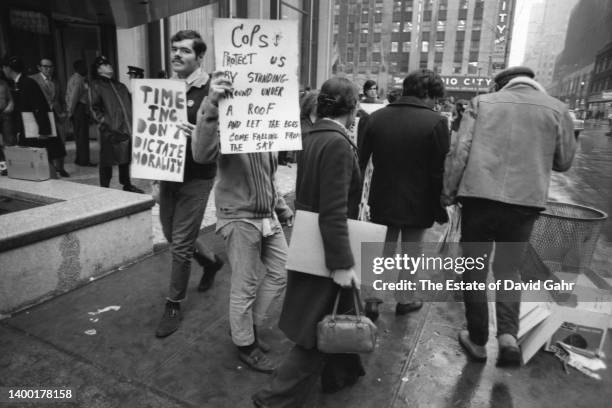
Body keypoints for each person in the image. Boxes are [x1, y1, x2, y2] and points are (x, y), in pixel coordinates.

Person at [442, 66, 576, 366]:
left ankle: (477, 340)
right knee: (508, 270)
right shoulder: (557, 109)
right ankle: (507, 337)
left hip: (478, 199)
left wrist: (448, 193)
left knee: (474, 270)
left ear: (500, 85)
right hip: (524, 204)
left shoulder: (483, 104)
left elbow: (460, 151)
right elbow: (564, 161)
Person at [253, 77, 365, 408]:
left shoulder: (314, 136)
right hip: (326, 246)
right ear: (353, 108)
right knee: (317, 331)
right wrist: (342, 264)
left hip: (311, 237)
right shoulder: (338, 144)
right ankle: (273, 398)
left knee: (339, 315)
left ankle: (340, 373)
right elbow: (333, 211)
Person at [192, 73, 293, 373]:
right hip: (238, 217)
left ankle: (249, 328)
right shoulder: (225, 120)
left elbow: (268, 176)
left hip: (266, 216)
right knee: (245, 286)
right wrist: (212, 103)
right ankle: (245, 345)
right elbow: (201, 154)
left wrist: (281, 207)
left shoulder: (263, 122)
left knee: (281, 271)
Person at [360, 69, 449, 315]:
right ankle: (404, 299)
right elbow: (438, 170)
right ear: (429, 94)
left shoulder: (376, 118)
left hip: (382, 196)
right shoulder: (437, 122)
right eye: (436, 97)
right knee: (412, 252)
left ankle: (372, 299)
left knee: (383, 249)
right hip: (419, 201)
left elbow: (361, 161)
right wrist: (440, 206)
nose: (436, 103)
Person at [154, 30, 224, 338]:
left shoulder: (213, 89)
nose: (176, 54)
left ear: (199, 56)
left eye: (184, 50)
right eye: (174, 49)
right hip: (167, 173)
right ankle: (211, 262)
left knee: (180, 244)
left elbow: (221, 139)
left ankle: (173, 303)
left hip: (197, 176)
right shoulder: (164, 88)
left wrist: (196, 132)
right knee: (173, 236)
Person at [1, 55, 64, 177]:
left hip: (36, 130)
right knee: (35, 160)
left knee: (44, 158)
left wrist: (44, 130)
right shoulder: (17, 83)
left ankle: (52, 183)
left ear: (8, 68)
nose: (3, 71)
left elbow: (40, 107)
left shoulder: (27, 83)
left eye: (3, 68)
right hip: (28, 129)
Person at [89, 55, 143, 193]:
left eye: (109, 64)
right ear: (98, 69)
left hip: (125, 128)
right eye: (105, 65)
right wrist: (105, 124)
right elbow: (94, 108)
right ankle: (104, 187)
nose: (110, 66)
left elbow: (131, 103)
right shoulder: (96, 85)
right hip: (109, 130)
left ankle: (126, 183)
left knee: (124, 157)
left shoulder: (120, 85)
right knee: (106, 159)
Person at [31, 57, 69, 177]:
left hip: (57, 115)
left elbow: (62, 99)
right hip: (42, 116)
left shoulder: (56, 82)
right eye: (45, 67)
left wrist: (64, 112)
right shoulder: (33, 80)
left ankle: (61, 168)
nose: (48, 69)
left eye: (50, 67)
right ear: (39, 67)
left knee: (61, 142)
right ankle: (50, 169)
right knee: (46, 143)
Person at [66, 60, 95, 167]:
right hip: (79, 108)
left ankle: (79, 159)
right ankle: (84, 161)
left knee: (78, 136)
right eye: (84, 67)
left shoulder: (73, 78)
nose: (86, 69)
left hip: (77, 109)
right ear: (78, 68)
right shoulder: (79, 80)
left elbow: (68, 96)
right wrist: (71, 111)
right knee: (82, 136)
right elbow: (74, 97)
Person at [0, 71, 14, 176]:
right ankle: (2, 166)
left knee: (9, 141)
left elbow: (10, 99)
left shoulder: (3, 83)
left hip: (5, 114)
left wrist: (9, 106)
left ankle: (11, 166)